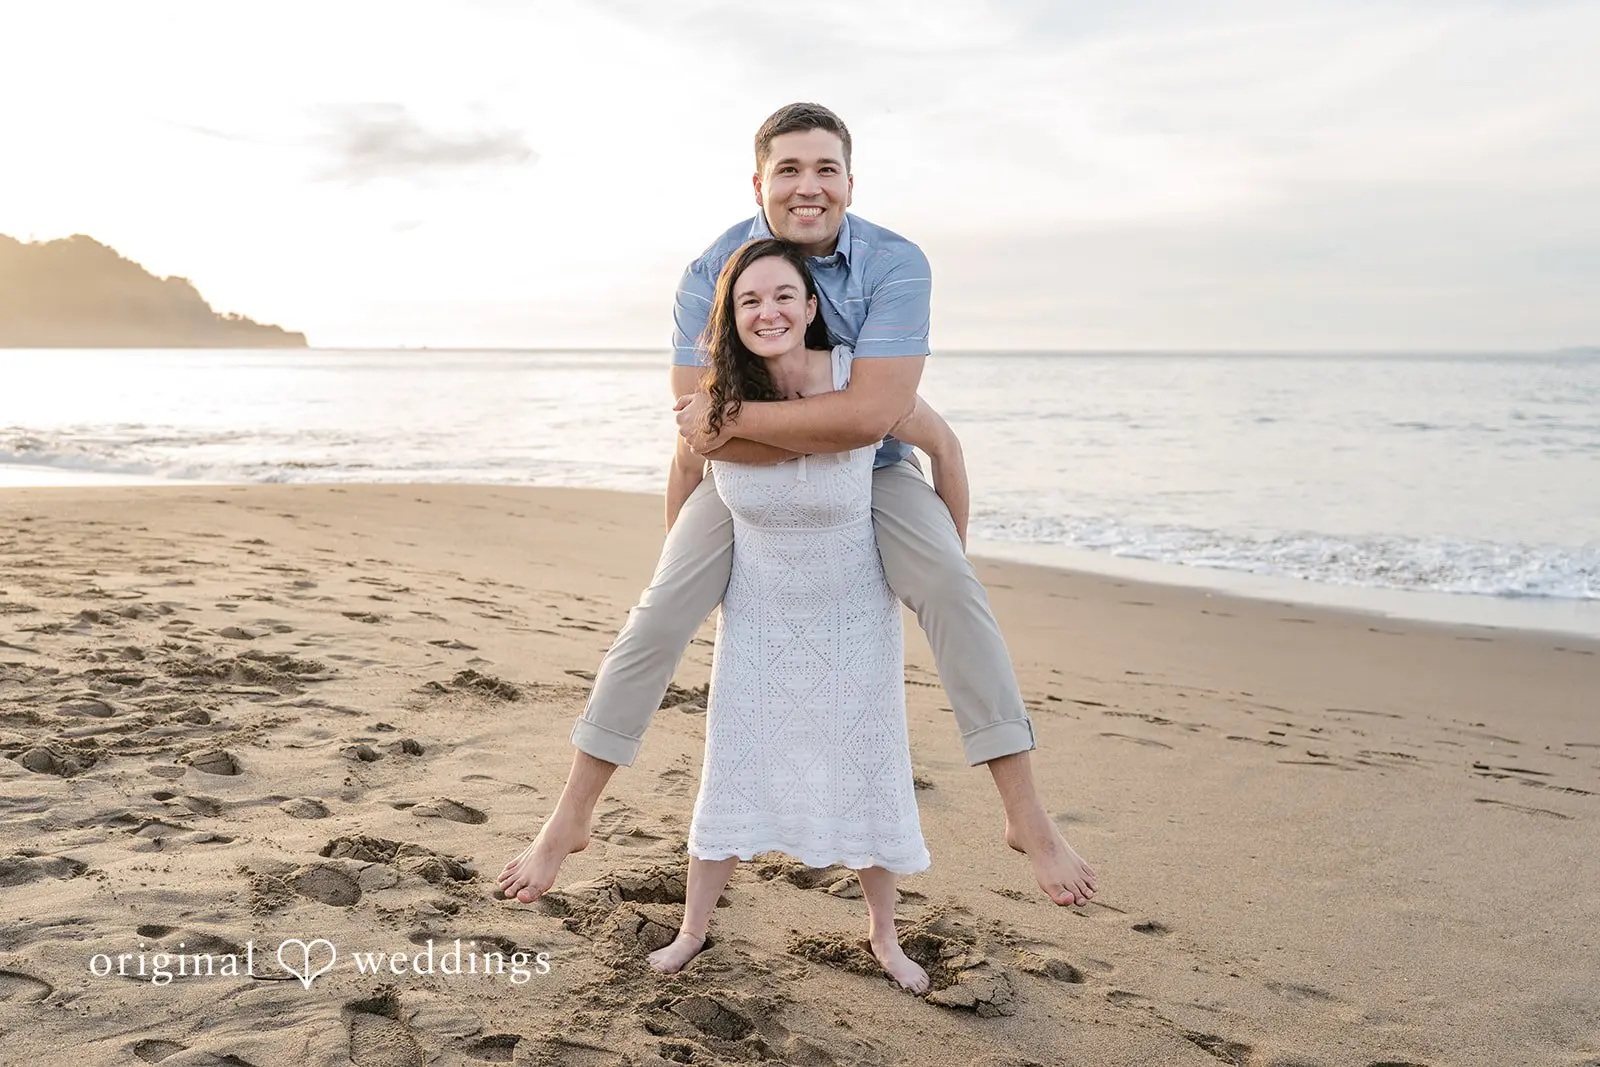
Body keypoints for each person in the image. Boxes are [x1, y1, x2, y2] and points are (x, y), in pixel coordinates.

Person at [498, 102, 1097, 911]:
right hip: (743, 478)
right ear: (759, 181)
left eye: (825, 169)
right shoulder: (711, 271)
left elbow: (865, 421)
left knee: (955, 591)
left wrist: (812, 426)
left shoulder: (897, 264)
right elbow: (704, 439)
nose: (807, 187)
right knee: (657, 616)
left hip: (876, 469)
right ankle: (570, 816)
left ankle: (1026, 815)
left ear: (851, 181)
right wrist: (803, 434)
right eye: (789, 169)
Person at [645, 238, 962, 988]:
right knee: (731, 765)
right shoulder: (716, 399)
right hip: (757, 613)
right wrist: (690, 575)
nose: (769, 311)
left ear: (812, 306)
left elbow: (944, 447)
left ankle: (885, 936)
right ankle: (693, 928)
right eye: (750, 299)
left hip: (855, 616)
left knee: (870, 769)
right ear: (731, 314)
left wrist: (947, 556)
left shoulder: (859, 384)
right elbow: (687, 479)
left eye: (785, 295)